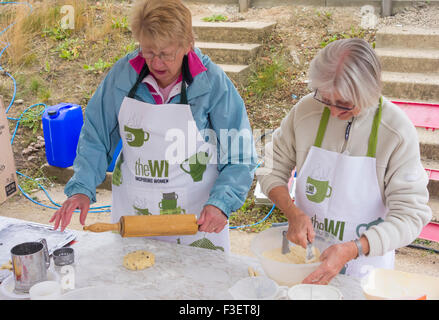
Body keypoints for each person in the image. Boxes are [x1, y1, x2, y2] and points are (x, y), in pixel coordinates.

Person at [50, 0, 257, 254]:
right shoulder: (123, 75)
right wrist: (81, 188)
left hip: (195, 218)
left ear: (187, 44)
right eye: (148, 52)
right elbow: (96, 135)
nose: (156, 63)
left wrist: (222, 203)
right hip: (134, 213)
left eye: (166, 54)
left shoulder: (211, 83)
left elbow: (240, 152)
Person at [256, 38, 432, 282]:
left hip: (365, 272)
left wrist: (354, 248)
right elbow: (269, 168)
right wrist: (292, 211)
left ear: (370, 92)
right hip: (305, 261)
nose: (335, 112)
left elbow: (410, 215)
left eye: (345, 105)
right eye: (326, 100)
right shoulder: (306, 111)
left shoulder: (396, 132)